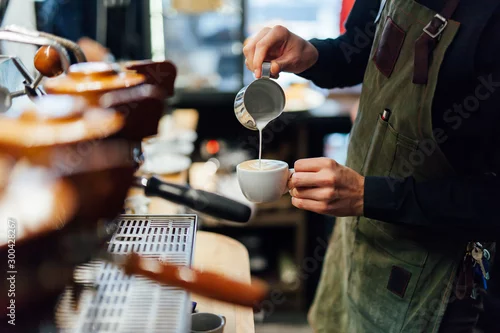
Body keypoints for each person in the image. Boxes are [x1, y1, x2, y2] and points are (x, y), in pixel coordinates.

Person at [243, 0, 500, 332]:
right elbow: (356, 50)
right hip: (357, 241)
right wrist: (311, 54)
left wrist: (370, 195)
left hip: (436, 284)